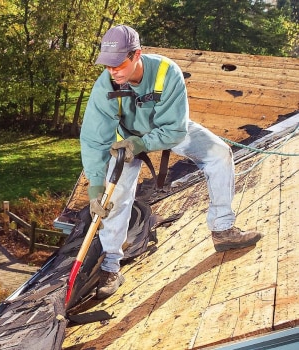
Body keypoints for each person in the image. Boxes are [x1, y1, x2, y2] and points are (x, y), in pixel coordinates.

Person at [80, 25, 262, 300]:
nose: (113, 72)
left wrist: (143, 144)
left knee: (219, 153)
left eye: (119, 65)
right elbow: (94, 139)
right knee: (113, 199)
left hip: (166, 131)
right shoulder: (105, 86)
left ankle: (223, 229)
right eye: (107, 66)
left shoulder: (167, 73)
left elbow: (177, 130)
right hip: (125, 139)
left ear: (137, 55)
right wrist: (96, 184)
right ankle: (110, 267)